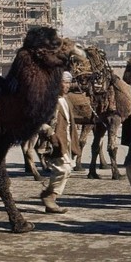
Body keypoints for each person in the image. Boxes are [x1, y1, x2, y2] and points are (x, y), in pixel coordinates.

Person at [40, 71, 81, 214]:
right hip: (55, 141)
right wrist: (49, 133)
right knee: (63, 169)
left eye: (69, 83)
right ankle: (49, 196)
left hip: (67, 140)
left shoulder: (66, 100)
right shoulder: (49, 101)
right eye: (65, 82)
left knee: (67, 170)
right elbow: (38, 121)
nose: (68, 86)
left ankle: (50, 199)